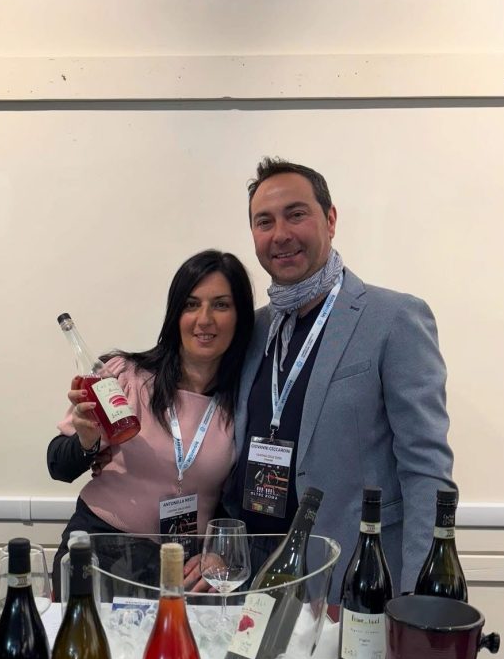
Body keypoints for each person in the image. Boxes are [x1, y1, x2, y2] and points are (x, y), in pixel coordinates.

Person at [222, 157, 454, 597]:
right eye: (264, 221)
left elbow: (426, 468)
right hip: (252, 578)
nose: (280, 234)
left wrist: (418, 598)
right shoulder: (253, 330)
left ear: (330, 219)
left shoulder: (394, 318)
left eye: (296, 214)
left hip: (352, 578)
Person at [48, 249, 255, 597]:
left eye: (221, 305)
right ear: (175, 314)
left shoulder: (242, 402)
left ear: (240, 316)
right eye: (191, 305)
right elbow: (58, 466)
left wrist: (218, 550)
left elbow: (235, 499)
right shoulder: (124, 377)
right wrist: (86, 441)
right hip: (103, 551)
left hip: (183, 567)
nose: (204, 319)